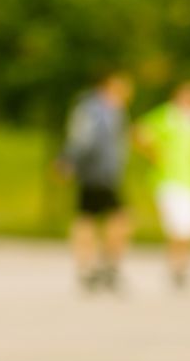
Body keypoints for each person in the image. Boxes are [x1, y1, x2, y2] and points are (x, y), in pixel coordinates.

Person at [57, 70, 134, 293]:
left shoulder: (114, 109)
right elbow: (82, 139)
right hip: (97, 172)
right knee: (106, 218)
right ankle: (96, 266)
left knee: (92, 217)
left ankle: (95, 266)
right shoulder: (94, 109)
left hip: (107, 173)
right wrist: (69, 160)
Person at [134, 80, 190, 289]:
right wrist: (154, 154)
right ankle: (175, 266)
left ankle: (184, 264)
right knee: (177, 225)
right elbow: (140, 131)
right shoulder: (168, 115)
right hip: (170, 179)